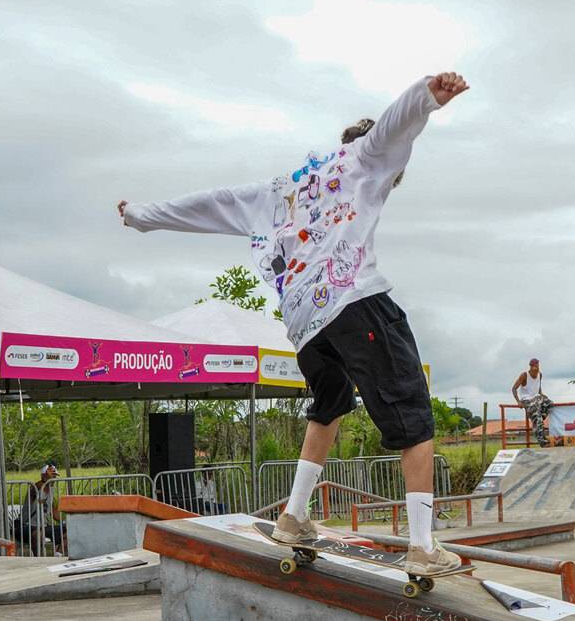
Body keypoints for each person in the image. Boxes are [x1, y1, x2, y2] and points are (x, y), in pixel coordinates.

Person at [119, 71, 470, 575]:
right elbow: (394, 127)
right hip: (355, 301)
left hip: (306, 323)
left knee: (328, 404)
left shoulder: (284, 189)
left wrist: (139, 215)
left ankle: (293, 515)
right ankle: (423, 546)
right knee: (413, 417)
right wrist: (426, 97)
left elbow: (209, 204)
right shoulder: (367, 156)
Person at [16, 464, 63, 556]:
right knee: (38, 533)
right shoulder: (35, 488)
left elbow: (55, 514)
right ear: (43, 476)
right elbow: (36, 487)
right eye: (51, 476)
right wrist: (45, 481)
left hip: (43, 526)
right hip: (25, 526)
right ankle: (38, 558)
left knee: (67, 530)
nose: (53, 478)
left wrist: (67, 520)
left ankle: (58, 554)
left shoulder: (51, 491)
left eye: (55, 476)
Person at [512, 358, 552, 447]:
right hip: (526, 400)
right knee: (537, 417)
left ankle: (537, 420)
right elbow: (514, 388)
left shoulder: (540, 375)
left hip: (536, 398)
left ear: (538, 367)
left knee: (549, 403)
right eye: (533, 368)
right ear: (530, 367)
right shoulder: (524, 375)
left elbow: (538, 387)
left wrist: (542, 394)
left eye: (536, 368)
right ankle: (543, 442)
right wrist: (518, 401)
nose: (535, 370)